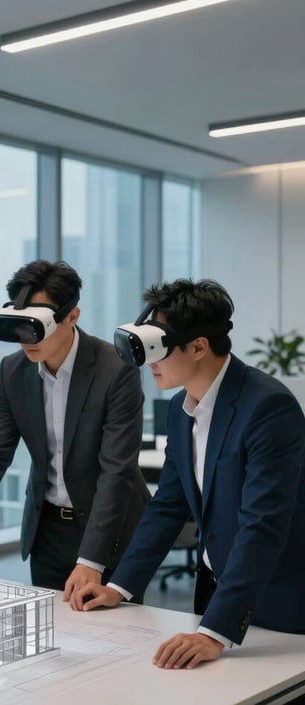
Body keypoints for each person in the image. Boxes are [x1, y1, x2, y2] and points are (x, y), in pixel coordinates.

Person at [71, 278, 305, 669]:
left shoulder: (268, 408)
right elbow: (167, 506)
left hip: (275, 603)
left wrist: (215, 631)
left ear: (198, 346)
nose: (149, 364)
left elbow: (262, 526)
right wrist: (119, 587)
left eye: (158, 350)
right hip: (213, 598)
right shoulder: (183, 409)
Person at [0, 260, 149, 599]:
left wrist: (92, 560)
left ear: (72, 316)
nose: (26, 340)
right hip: (47, 530)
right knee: (52, 636)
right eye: (20, 326)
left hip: (109, 530)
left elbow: (117, 472)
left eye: (37, 325)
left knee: (114, 639)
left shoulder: (116, 369)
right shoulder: (13, 371)